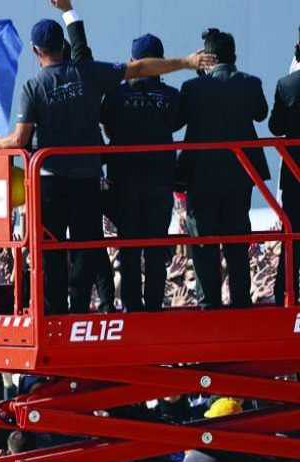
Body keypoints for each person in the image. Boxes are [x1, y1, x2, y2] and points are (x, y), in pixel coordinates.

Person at [0, 0, 214, 313]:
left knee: (52, 247)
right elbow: (140, 70)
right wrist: (187, 61)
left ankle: (57, 309)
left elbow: (20, 139)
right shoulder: (89, 74)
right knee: (89, 245)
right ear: (62, 47)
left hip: (54, 181)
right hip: (92, 178)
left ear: (37, 51)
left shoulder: (34, 86)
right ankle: (88, 306)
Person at [177, 28, 270, 308]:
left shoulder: (192, 88)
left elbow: (179, 119)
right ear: (234, 56)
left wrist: (201, 79)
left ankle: (209, 304)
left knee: (203, 243)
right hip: (240, 175)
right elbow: (261, 113)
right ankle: (240, 301)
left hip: (201, 177)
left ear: (208, 58)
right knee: (237, 240)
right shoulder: (250, 83)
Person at [101, 34, 182, 312]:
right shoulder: (172, 96)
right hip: (160, 180)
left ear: (132, 61)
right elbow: (175, 123)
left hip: (124, 181)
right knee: (156, 247)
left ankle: (132, 306)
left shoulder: (115, 95)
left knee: (130, 247)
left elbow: (107, 126)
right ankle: (154, 305)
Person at [271, 29, 300, 304]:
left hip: (294, 170)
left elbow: (275, 126)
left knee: (291, 236)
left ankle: (286, 294)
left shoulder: (287, 84)